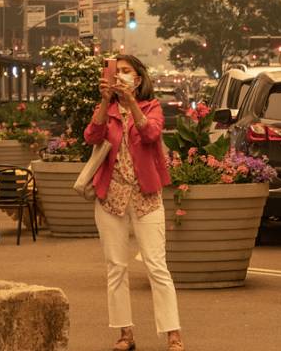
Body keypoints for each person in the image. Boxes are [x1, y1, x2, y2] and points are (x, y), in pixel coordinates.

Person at [85, 55, 184, 351]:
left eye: (127, 72)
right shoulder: (108, 109)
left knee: (156, 265)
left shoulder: (151, 107)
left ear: (138, 79)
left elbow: (151, 133)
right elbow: (92, 135)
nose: (122, 76)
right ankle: (125, 334)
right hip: (110, 197)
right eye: (118, 72)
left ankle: (173, 334)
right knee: (116, 267)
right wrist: (105, 102)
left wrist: (130, 104)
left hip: (146, 196)